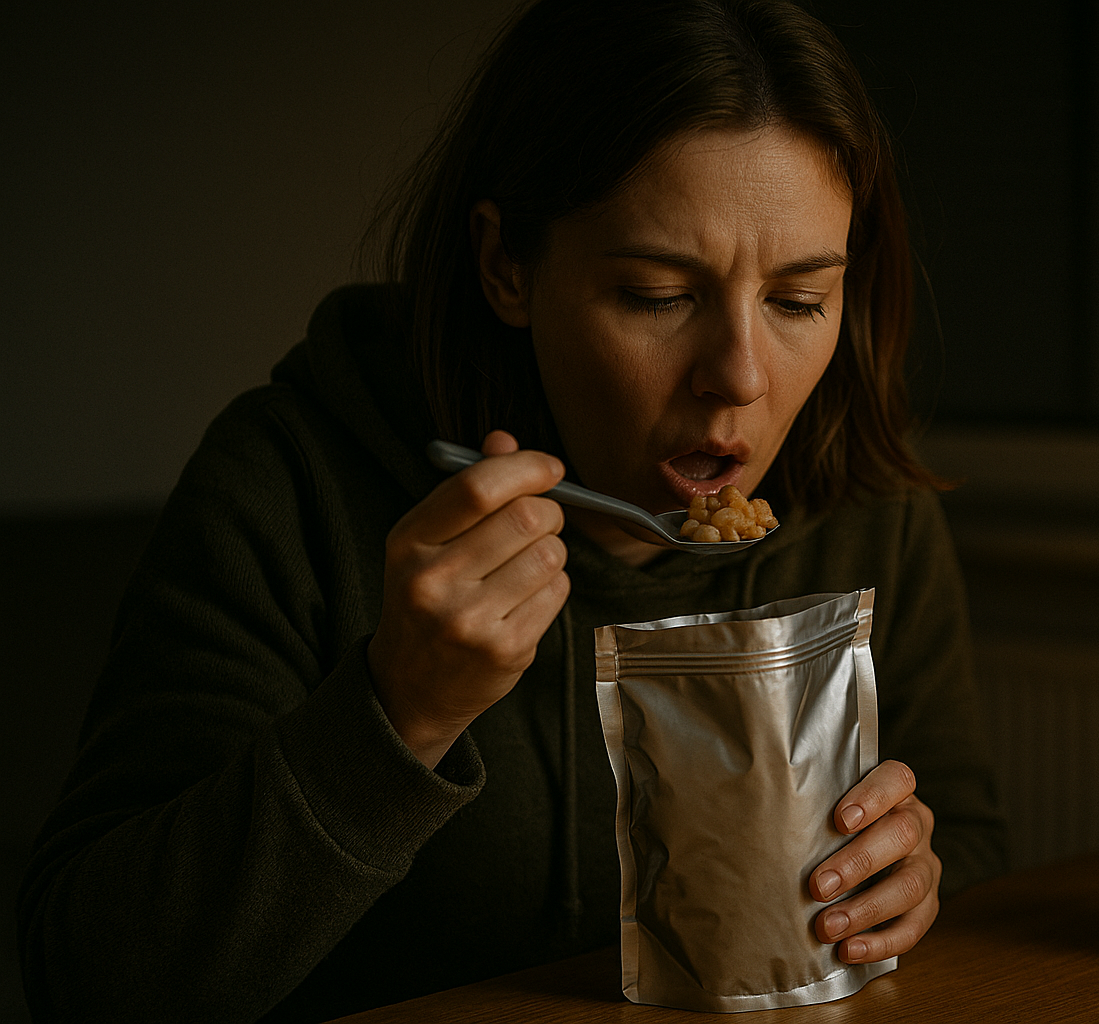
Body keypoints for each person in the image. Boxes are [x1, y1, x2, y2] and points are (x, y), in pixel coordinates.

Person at [17, 1, 1007, 1020]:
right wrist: (400, 709)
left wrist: (911, 880)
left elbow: (973, 853)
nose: (742, 378)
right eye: (658, 294)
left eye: (800, 301)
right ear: (508, 267)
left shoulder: (863, 499)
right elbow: (87, 980)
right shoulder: (288, 484)